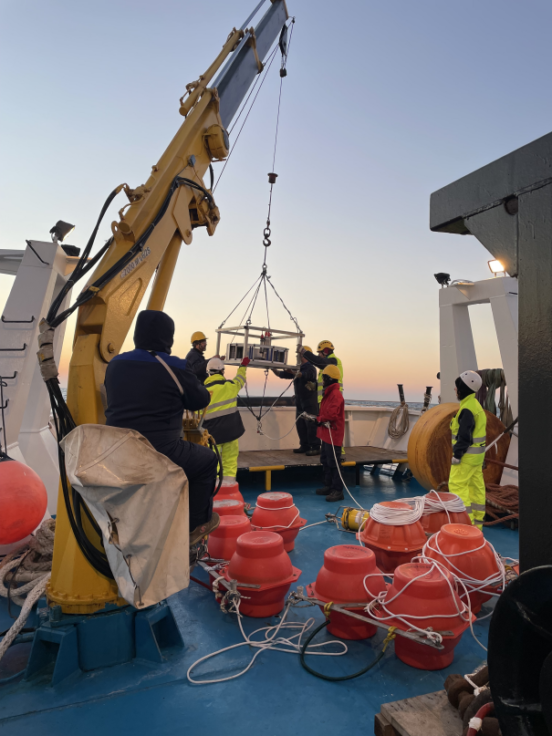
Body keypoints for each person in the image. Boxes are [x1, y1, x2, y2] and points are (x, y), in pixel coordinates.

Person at [105, 311, 219, 545]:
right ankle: (196, 525)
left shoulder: (115, 363)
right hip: (159, 451)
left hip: (117, 451)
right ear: (168, 337)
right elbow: (199, 400)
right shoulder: (175, 366)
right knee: (207, 460)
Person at [448, 370, 487, 529]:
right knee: (476, 488)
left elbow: (465, 436)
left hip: (466, 457)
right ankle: (477, 525)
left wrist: (457, 455)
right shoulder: (475, 405)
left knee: (457, 486)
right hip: (477, 458)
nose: (455, 390)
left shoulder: (467, 409)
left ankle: (465, 526)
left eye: (457, 387)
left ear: (462, 389)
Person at [203, 356, 250, 481]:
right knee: (230, 462)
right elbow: (240, 379)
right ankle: (230, 488)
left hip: (212, 436)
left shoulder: (203, 392)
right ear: (222, 371)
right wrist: (243, 366)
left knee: (213, 463)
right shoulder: (231, 386)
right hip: (231, 433)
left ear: (208, 373)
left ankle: (215, 491)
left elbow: (196, 416)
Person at [272, 345, 320, 456]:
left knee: (311, 425)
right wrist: (271, 367)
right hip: (300, 401)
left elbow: (305, 375)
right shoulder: (299, 368)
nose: (297, 356)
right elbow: (281, 374)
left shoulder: (310, 368)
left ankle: (316, 447)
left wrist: (293, 372)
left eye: (299, 354)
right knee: (301, 425)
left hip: (309, 402)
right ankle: (305, 445)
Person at [309, 365, 345, 502]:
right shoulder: (329, 393)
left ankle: (338, 490)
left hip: (333, 434)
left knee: (333, 462)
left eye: (324, 377)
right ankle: (329, 486)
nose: (322, 380)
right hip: (326, 433)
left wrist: (318, 420)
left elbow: (332, 414)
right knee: (325, 460)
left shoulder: (335, 395)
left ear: (329, 378)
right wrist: (318, 419)